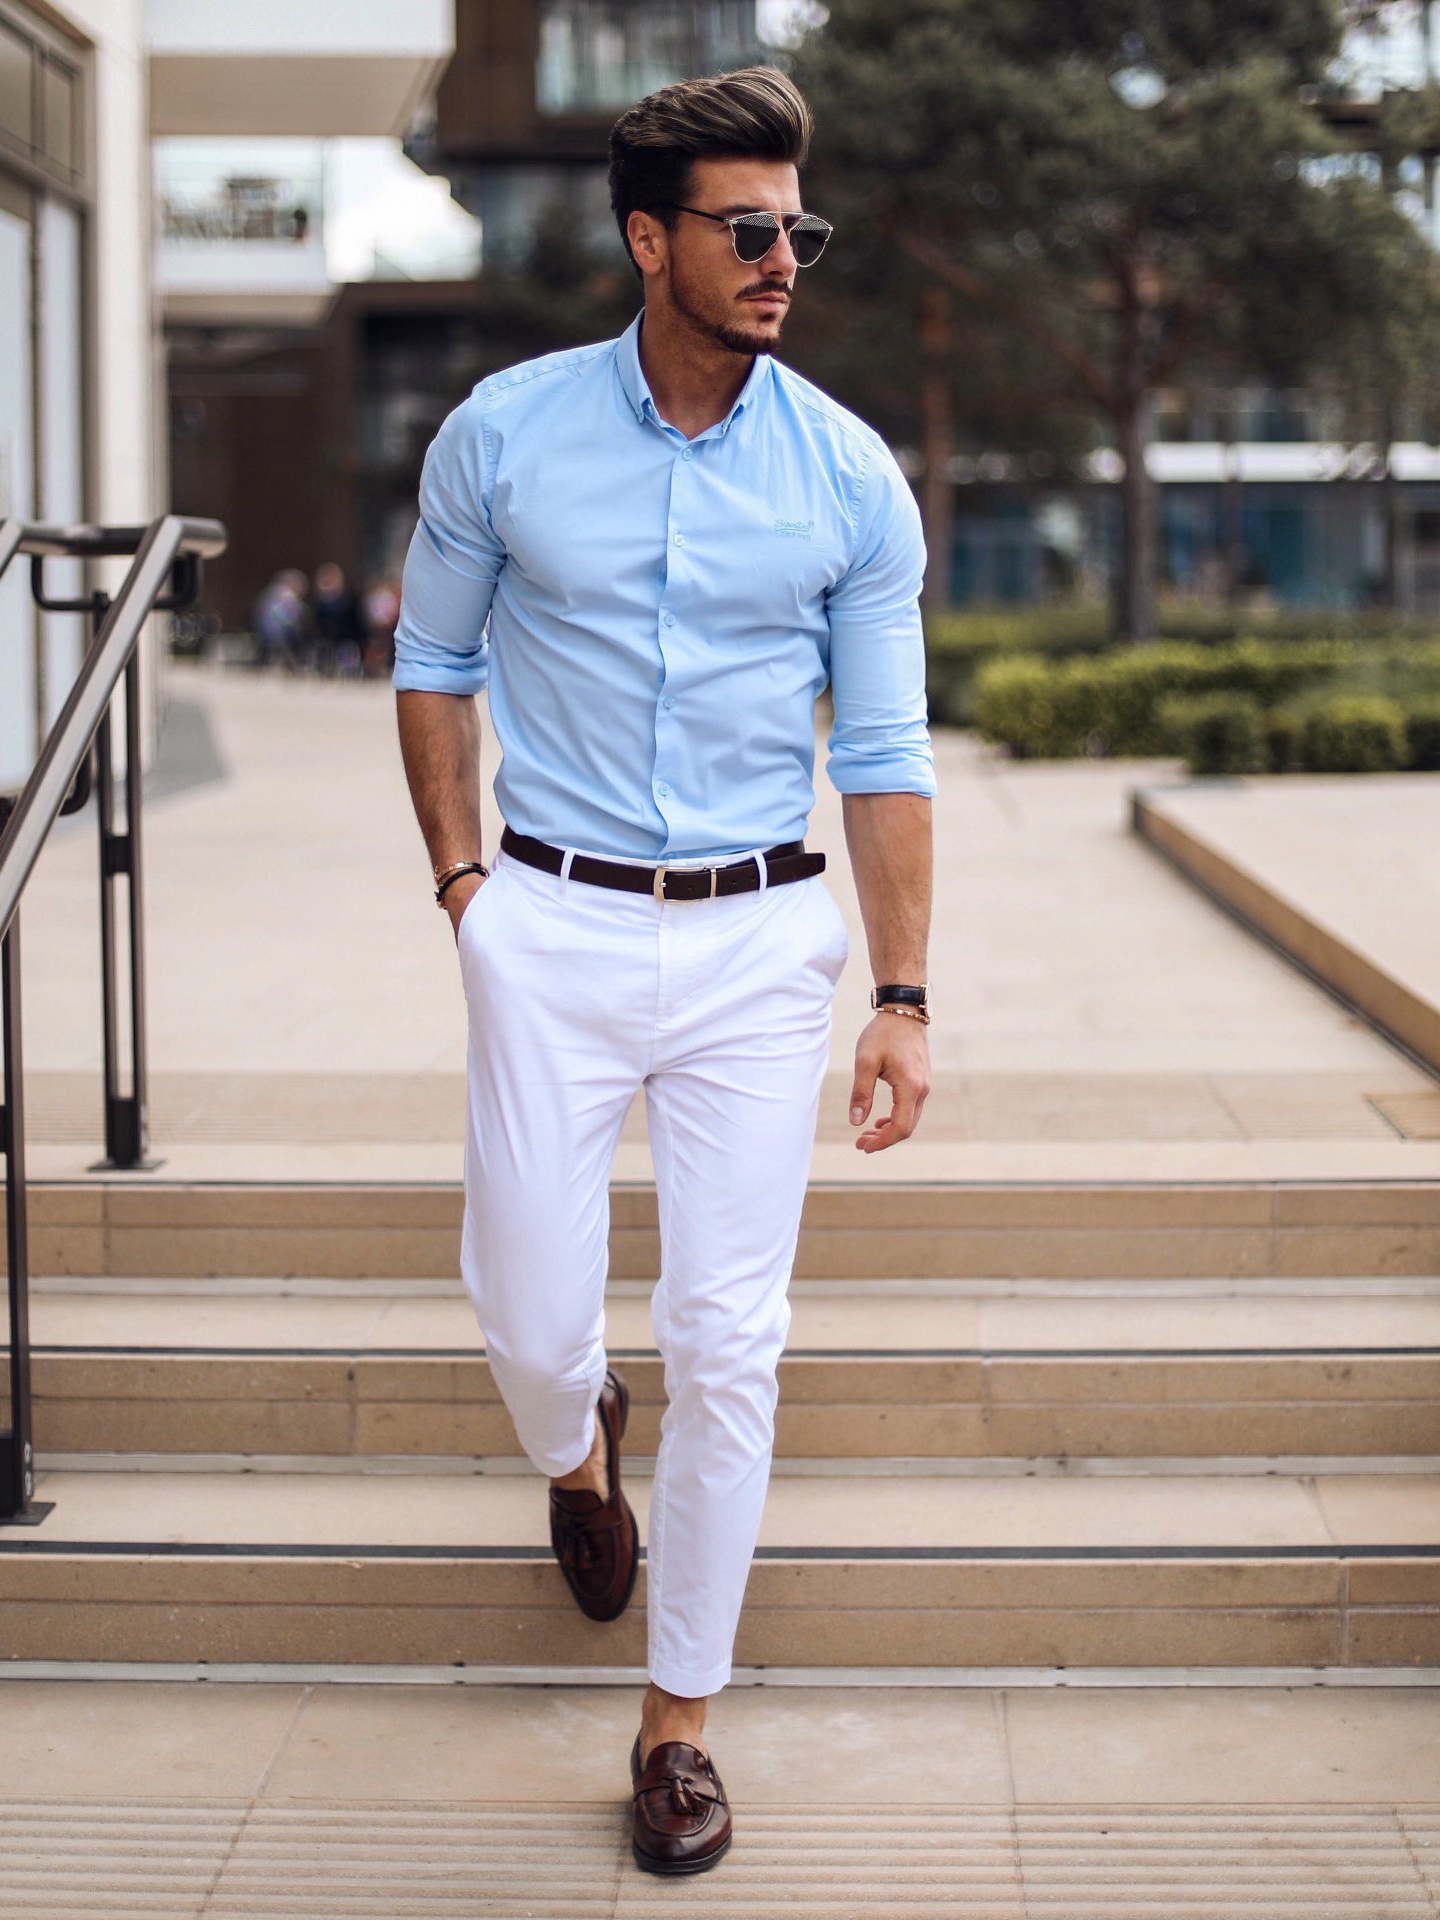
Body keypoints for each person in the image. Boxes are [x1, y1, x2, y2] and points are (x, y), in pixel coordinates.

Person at [393, 65, 934, 1876]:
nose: (787, 257)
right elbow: (432, 663)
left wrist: (905, 997)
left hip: (760, 941)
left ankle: (679, 1725)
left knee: (731, 1339)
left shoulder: (849, 471)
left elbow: (885, 753)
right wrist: (468, 887)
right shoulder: (502, 432)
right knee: (536, 1320)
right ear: (650, 239)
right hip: (544, 923)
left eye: (803, 227)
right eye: (749, 227)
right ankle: (574, 1455)